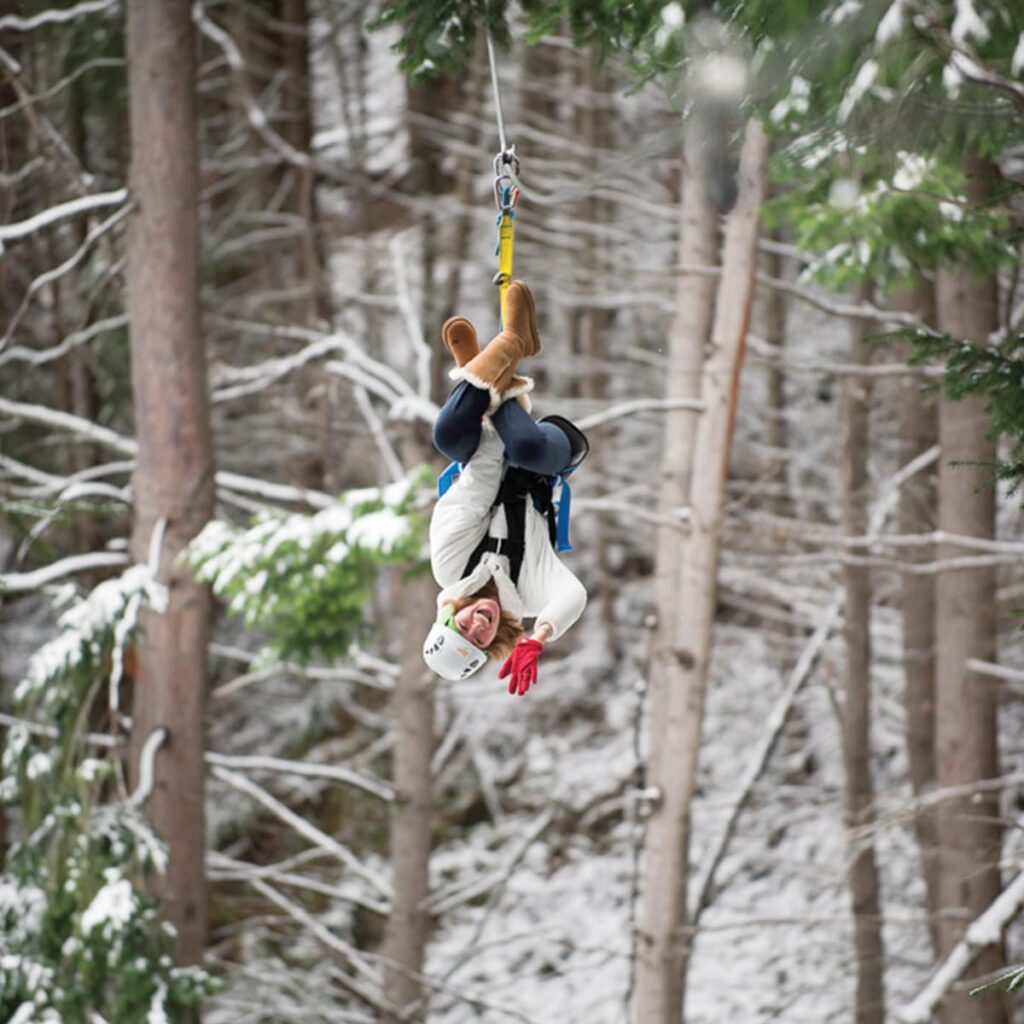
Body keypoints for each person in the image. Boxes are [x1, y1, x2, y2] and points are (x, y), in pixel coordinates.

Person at [422, 281, 589, 696]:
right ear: (491, 643)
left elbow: (478, 481)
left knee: (445, 435)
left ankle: (503, 350)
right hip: (543, 453)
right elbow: (574, 594)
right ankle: (501, 350)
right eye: (479, 638)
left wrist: (492, 410)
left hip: (481, 453)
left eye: (464, 626)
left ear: (451, 614)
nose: (479, 624)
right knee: (527, 446)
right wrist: (540, 635)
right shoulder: (531, 597)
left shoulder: (450, 566)